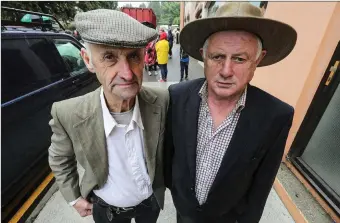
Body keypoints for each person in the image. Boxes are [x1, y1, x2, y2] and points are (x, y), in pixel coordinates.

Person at [164, 2, 297, 223]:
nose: (226, 71)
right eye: (217, 57)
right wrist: (178, 194)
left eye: (239, 59)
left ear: (258, 60)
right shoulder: (177, 96)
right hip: (184, 212)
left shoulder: (276, 116)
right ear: (203, 56)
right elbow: (170, 155)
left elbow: (261, 186)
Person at [48, 9, 169, 223]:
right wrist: (73, 198)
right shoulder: (68, 113)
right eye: (109, 57)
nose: (127, 73)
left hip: (150, 203)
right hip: (106, 210)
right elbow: (60, 158)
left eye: (133, 56)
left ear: (143, 57)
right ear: (88, 60)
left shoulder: (163, 100)